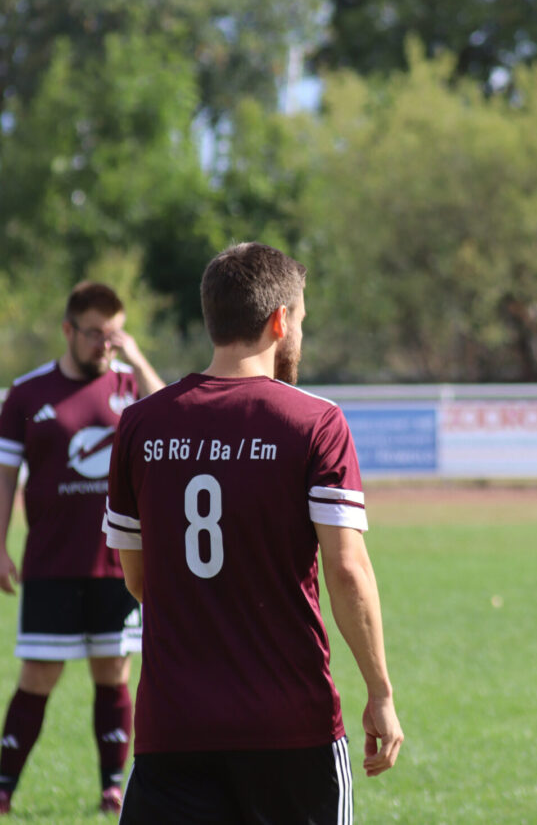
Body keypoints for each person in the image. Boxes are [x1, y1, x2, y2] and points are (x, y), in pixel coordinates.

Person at [103, 242, 404, 825]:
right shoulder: (315, 422)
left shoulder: (140, 423)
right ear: (279, 321)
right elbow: (347, 569)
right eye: (302, 319)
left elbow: (140, 581)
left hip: (174, 729)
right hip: (291, 728)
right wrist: (380, 692)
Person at [0, 281, 164, 816]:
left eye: (112, 334)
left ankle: (112, 788)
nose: (103, 344)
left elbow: (171, 414)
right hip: (51, 561)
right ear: (68, 330)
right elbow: (5, 477)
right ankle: (3, 787)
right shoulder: (27, 394)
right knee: (38, 675)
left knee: (113, 671)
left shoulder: (130, 383)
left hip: (118, 562)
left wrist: (134, 355)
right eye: (94, 333)